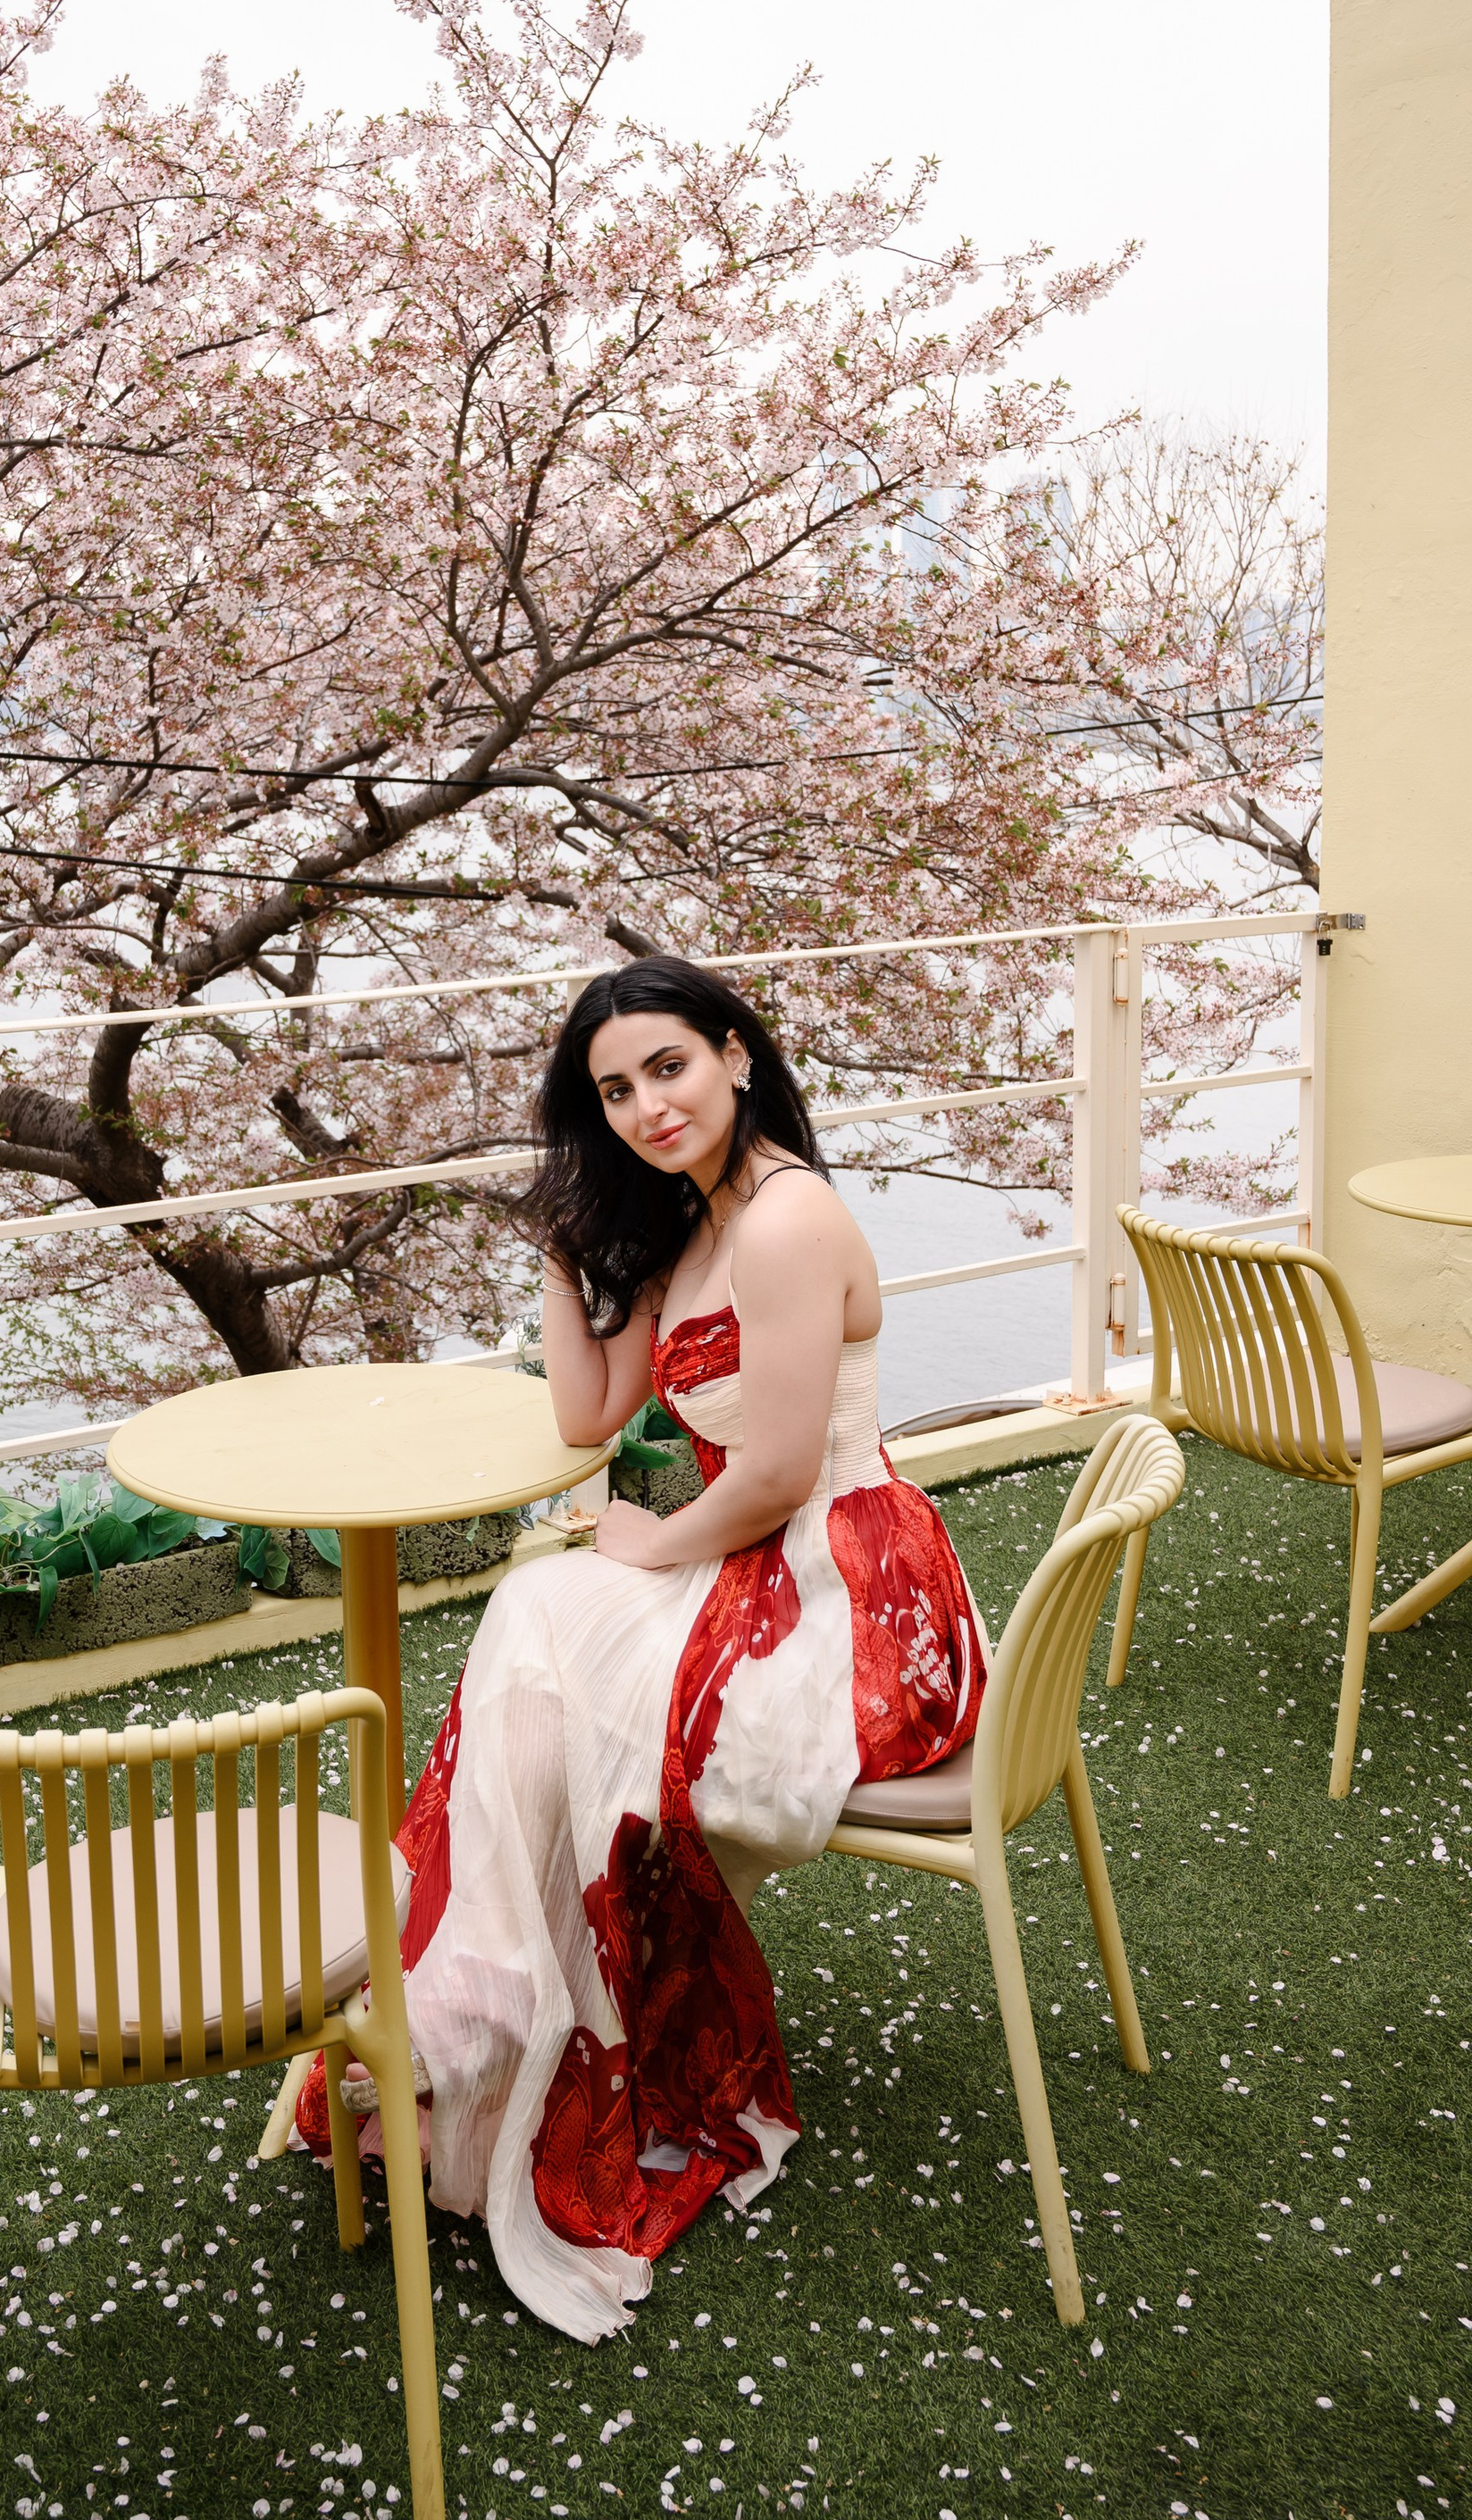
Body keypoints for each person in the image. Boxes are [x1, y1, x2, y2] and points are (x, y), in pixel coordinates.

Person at [293, 954, 984, 2341]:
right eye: (613, 1091)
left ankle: (493, 2013)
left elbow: (783, 1468)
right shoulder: (693, 1222)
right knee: (539, 1631)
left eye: (667, 1068)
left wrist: (648, 1545)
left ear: (735, 1052)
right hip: (758, 1559)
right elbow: (584, 1414)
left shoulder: (787, 1221)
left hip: (848, 1590)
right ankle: (499, 2009)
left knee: (549, 1627)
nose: (646, 1106)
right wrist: (564, 1242)